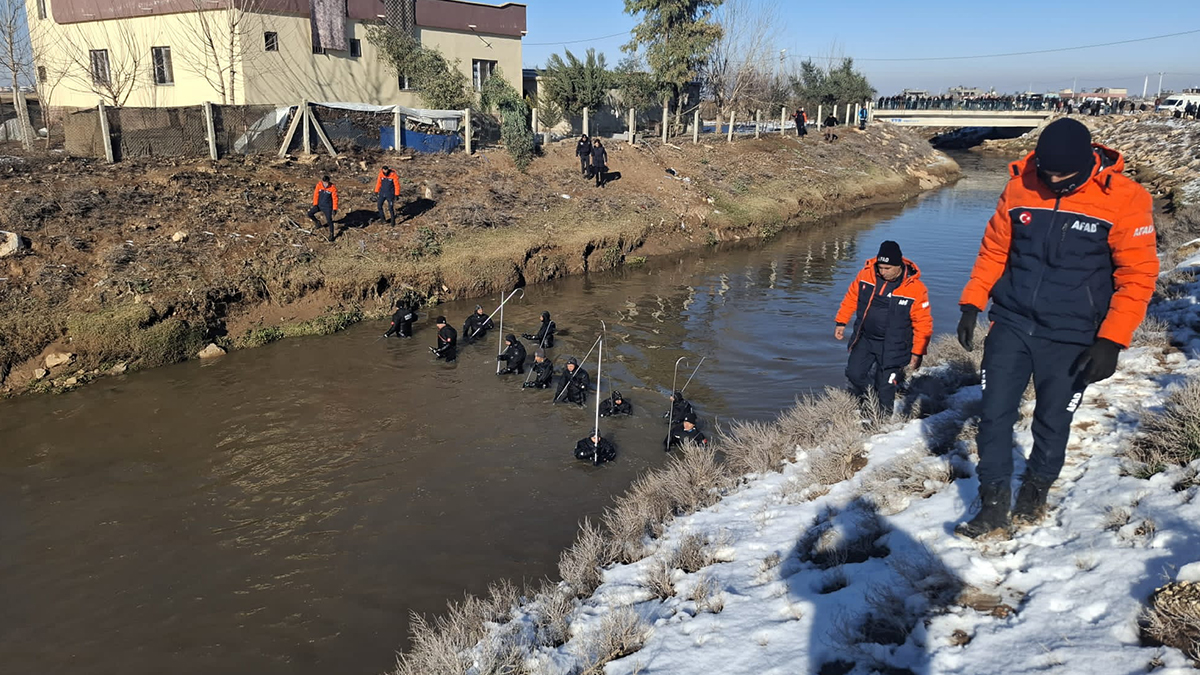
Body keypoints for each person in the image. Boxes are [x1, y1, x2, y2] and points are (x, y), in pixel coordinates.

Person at [954, 118, 1158, 540]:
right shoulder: (1019, 187)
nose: (1054, 180)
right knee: (993, 415)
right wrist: (972, 302)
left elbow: (1137, 276)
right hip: (1012, 322)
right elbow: (995, 250)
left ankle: (1035, 490)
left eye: (1064, 174)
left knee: (1052, 420)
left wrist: (1111, 340)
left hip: (1074, 334)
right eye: (1047, 172)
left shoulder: (1125, 198)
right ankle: (993, 505)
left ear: (1086, 163)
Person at [834, 240, 933, 414]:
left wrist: (918, 352)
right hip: (865, 338)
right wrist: (841, 322)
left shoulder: (915, 288)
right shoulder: (866, 275)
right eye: (880, 267)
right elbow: (851, 297)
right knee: (854, 374)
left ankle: (883, 422)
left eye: (887, 268)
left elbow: (923, 323)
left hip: (893, 344)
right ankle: (868, 402)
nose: (882, 272)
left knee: (885, 386)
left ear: (898, 265)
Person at [308, 174, 339, 241]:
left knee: (329, 221)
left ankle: (331, 235)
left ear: (328, 181)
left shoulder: (332, 188)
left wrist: (334, 208)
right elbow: (316, 195)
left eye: (326, 183)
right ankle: (317, 222)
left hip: (327, 207)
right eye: (324, 182)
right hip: (319, 205)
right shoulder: (319, 185)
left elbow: (335, 199)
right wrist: (315, 204)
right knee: (310, 214)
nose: (325, 184)